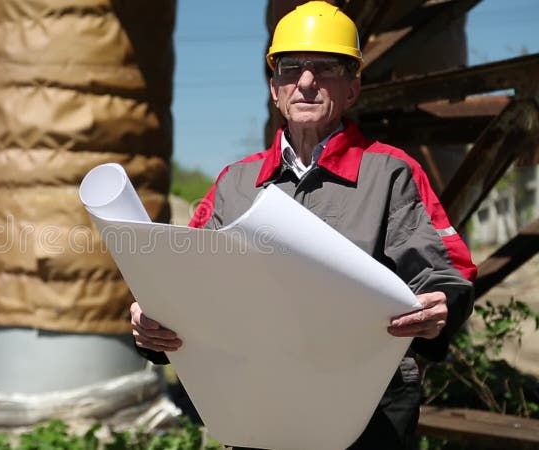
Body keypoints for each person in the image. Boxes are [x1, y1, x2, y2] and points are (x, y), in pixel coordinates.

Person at [129, 2, 477, 449]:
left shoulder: (391, 173)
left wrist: (441, 308)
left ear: (352, 87)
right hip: (257, 398)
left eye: (325, 68)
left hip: (366, 408)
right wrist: (151, 322)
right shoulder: (235, 183)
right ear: (275, 89)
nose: (306, 82)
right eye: (291, 68)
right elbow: (189, 286)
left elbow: (449, 272)